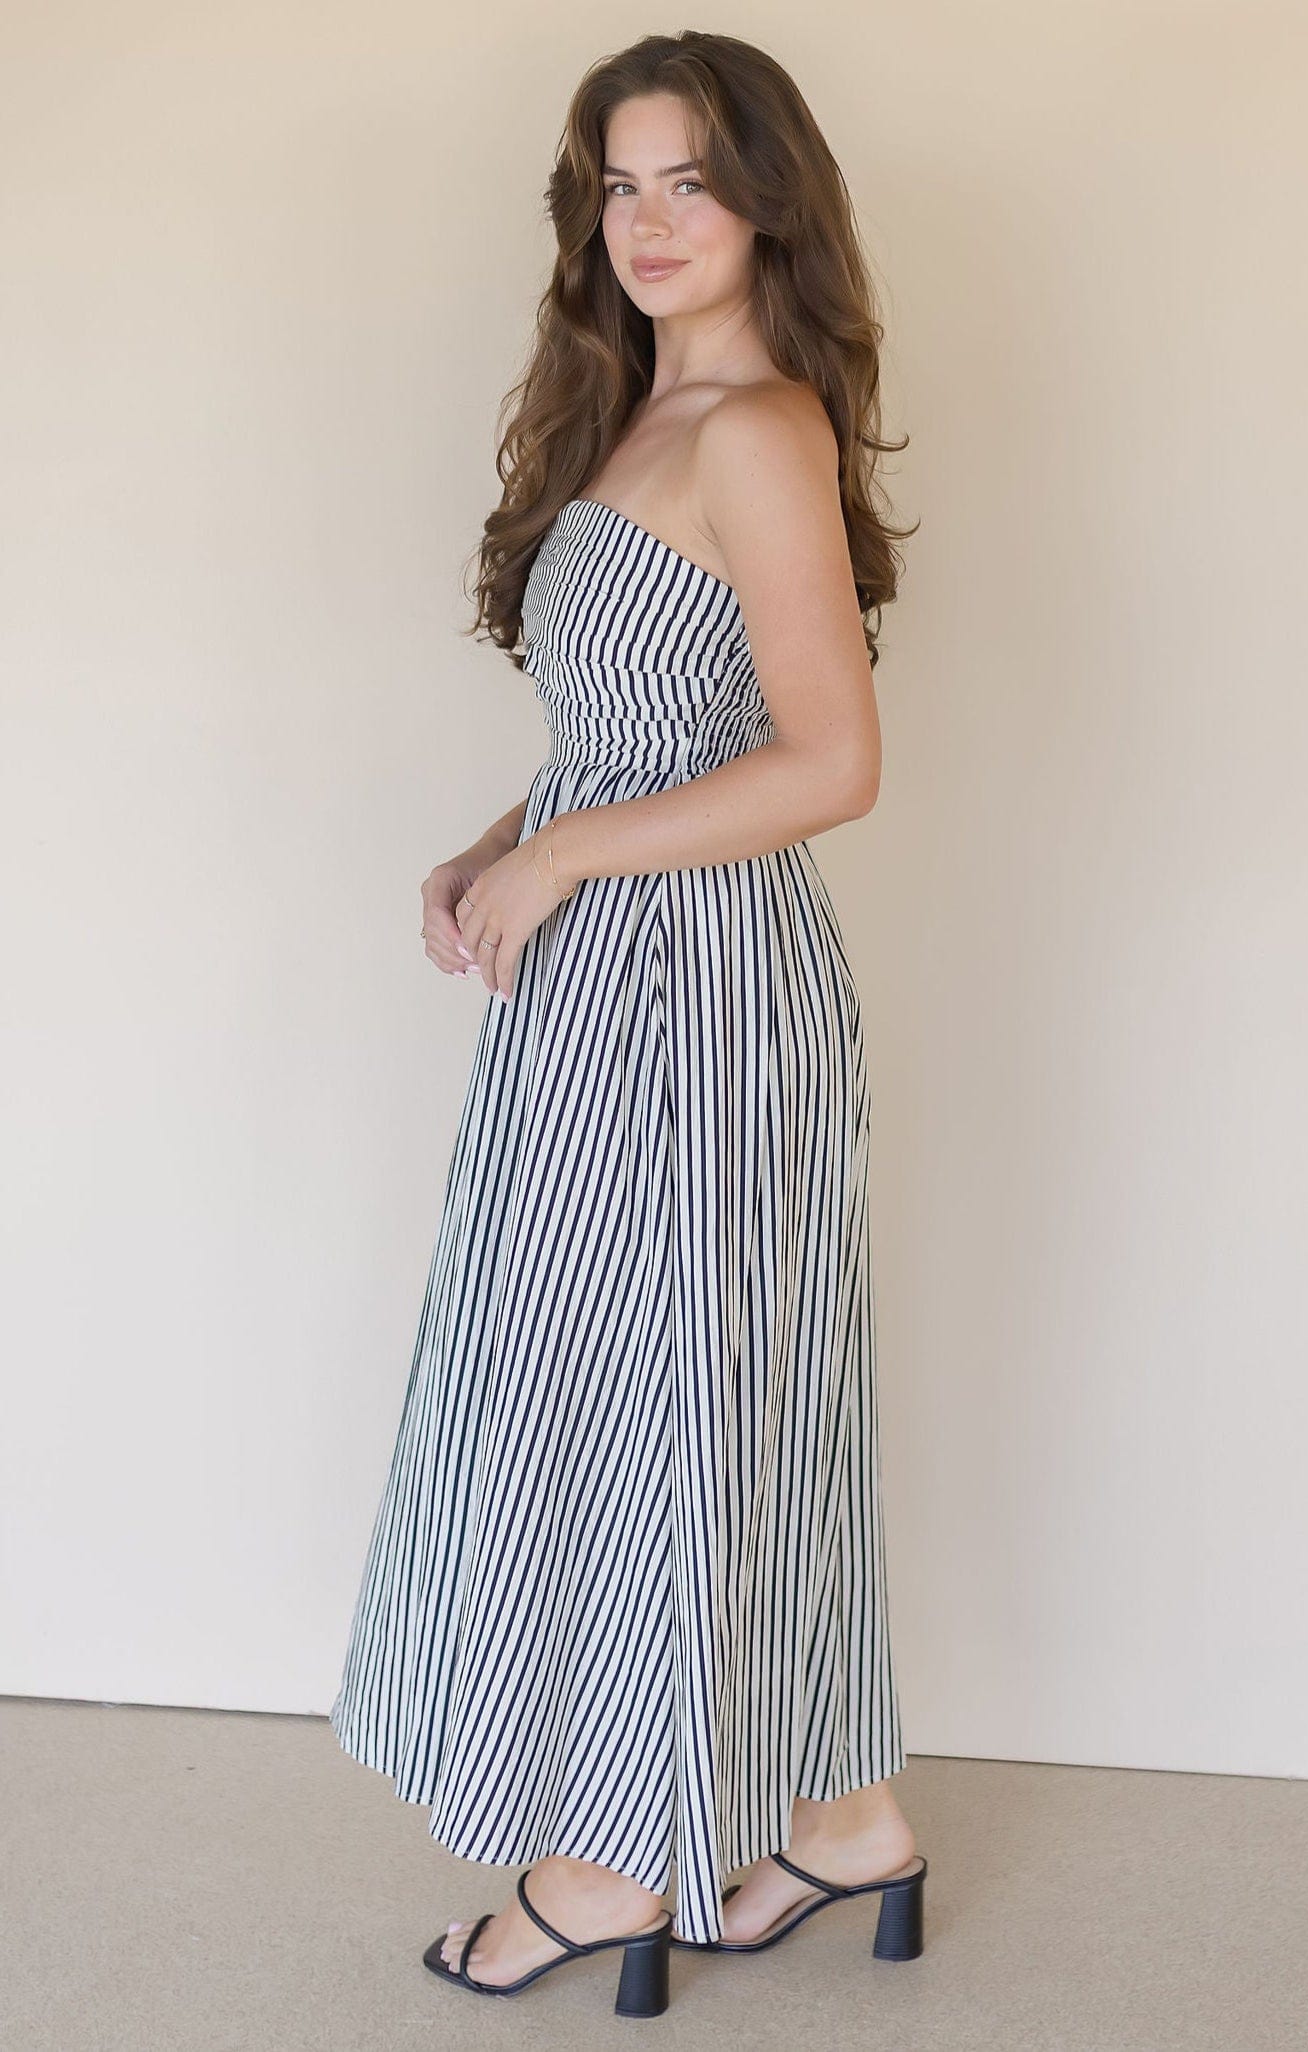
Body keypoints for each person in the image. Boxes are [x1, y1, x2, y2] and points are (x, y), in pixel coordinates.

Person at [329, 29, 927, 2018]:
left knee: (660, 1400)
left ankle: (605, 1861)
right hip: (606, 978)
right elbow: (647, 729)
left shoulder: (756, 426)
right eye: (620, 184)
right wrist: (502, 843)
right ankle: (845, 1821)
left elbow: (831, 762)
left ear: (768, 206)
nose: (652, 222)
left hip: (704, 988)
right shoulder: (638, 416)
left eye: (693, 182)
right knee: (690, 1388)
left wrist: (571, 855)